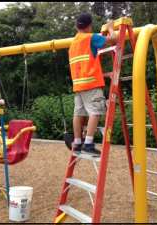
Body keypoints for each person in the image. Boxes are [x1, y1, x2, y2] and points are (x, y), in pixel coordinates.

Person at [69, 13, 117, 156]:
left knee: (78, 113)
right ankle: (88, 143)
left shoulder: (73, 45)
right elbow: (114, 39)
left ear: (76, 26)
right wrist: (110, 28)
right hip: (91, 83)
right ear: (89, 27)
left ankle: (78, 143)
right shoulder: (91, 38)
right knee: (95, 112)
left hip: (78, 85)